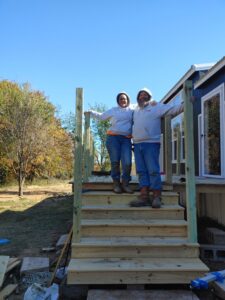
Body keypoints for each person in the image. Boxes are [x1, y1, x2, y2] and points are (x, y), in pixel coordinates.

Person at [130, 88, 183, 208]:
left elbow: (172, 109)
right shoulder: (135, 109)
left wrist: (186, 104)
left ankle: (156, 197)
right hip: (137, 144)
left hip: (151, 143)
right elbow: (125, 107)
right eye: (140, 95)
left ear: (149, 97)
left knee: (153, 170)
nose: (142, 97)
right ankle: (144, 197)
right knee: (141, 171)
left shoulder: (156, 107)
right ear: (138, 98)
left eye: (145, 95)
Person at [85, 92, 134, 194]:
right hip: (113, 138)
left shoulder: (132, 110)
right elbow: (102, 116)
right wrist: (90, 112)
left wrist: (152, 104)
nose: (123, 100)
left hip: (126, 139)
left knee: (127, 162)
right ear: (118, 101)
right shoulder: (113, 110)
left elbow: (143, 109)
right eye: (121, 99)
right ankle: (116, 184)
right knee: (115, 162)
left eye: (124, 98)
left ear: (128, 100)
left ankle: (125, 184)